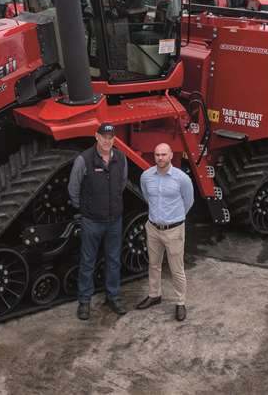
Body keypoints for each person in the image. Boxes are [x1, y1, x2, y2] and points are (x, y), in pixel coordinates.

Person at [67, 123, 129, 320]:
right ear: (96, 136)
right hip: (92, 221)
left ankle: (113, 296)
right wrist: (86, 208)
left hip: (114, 220)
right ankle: (84, 302)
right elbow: (73, 189)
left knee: (113, 260)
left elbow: (122, 183)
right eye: (103, 137)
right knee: (87, 262)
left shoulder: (120, 158)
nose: (107, 141)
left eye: (110, 138)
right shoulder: (83, 160)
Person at [135, 143, 194, 321]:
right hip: (153, 228)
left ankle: (180, 302)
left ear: (170, 156)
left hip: (174, 230)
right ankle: (154, 295)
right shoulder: (146, 176)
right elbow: (147, 196)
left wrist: (175, 218)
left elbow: (188, 201)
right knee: (153, 264)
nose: (160, 158)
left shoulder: (182, 179)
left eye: (163, 154)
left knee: (177, 269)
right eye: (157, 155)